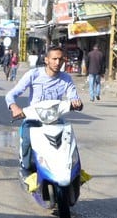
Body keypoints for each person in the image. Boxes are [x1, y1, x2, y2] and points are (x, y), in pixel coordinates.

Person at [5, 46, 83, 176]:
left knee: (69, 140)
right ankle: (25, 169)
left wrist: (77, 103)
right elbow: (11, 95)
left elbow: (73, 97)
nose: (57, 63)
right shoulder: (33, 74)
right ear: (46, 60)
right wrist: (14, 107)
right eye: (54, 59)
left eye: (60, 59)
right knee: (26, 142)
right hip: (34, 119)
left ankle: (74, 171)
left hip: (55, 120)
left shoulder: (66, 79)